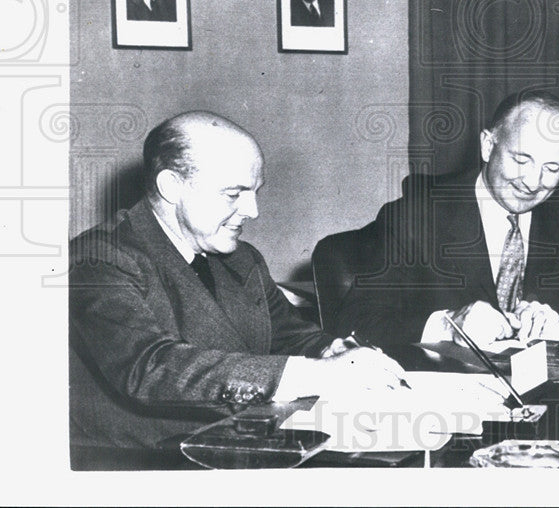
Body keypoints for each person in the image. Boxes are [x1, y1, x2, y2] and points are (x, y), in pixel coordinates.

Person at [69, 111, 406, 452]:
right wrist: (315, 374)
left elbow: (288, 335)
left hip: (246, 439)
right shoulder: (100, 257)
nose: (253, 210)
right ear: (171, 186)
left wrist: (331, 350)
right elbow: (150, 367)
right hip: (152, 460)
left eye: (256, 192)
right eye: (233, 194)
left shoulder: (241, 258)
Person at [325, 90, 559, 348]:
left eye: (552, 168)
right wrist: (448, 324)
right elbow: (354, 319)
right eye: (521, 159)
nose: (533, 182)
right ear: (488, 145)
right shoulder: (417, 215)